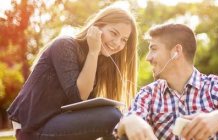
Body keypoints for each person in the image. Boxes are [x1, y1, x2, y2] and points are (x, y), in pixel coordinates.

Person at [117, 23, 218, 140]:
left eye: (154, 49)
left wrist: (217, 118)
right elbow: (127, 121)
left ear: (176, 52)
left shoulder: (213, 87)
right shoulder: (148, 94)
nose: (148, 57)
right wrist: (130, 120)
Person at [7, 4, 138, 140]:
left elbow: (82, 108)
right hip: (33, 127)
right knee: (112, 116)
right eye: (114, 33)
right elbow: (78, 98)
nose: (117, 43)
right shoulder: (65, 45)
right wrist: (93, 52)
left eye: (124, 40)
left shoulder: (100, 62)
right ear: (97, 28)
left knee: (121, 122)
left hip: (58, 121)